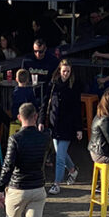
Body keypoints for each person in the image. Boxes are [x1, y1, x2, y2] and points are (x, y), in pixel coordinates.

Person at [40, 59, 83, 195]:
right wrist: (41, 120)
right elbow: (45, 103)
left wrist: (79, 128)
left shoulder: (74, 86)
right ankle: (72, 170)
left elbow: (77, 108)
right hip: (54, 124)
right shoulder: (52, 84)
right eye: (64, 71)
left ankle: (56, 183)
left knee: (59, 156)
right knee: (61, 153)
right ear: (59, 70)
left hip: (67, 125)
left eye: (68, 71)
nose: (66, 74)